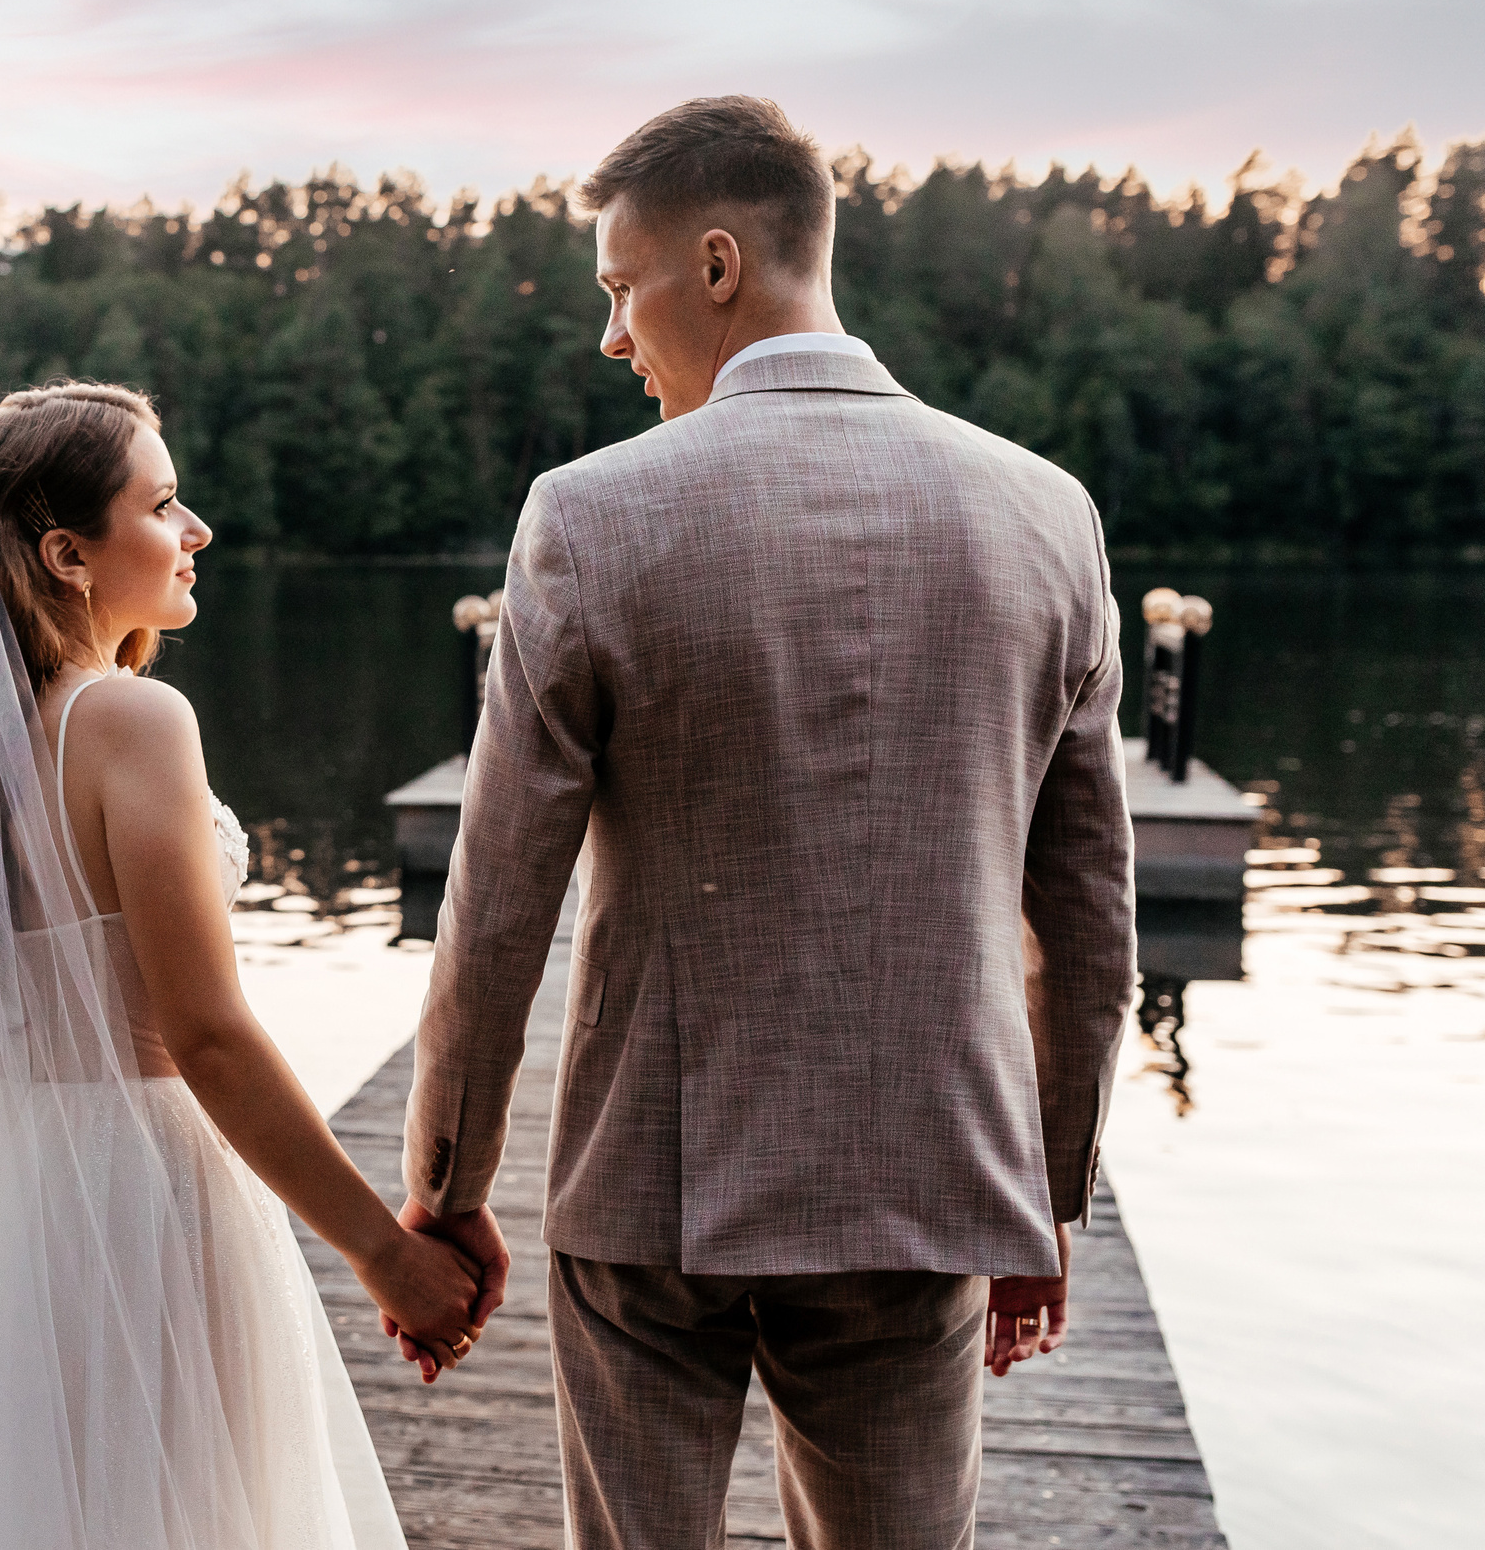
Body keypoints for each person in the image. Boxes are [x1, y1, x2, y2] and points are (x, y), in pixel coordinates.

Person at [391, 97, 1138, 1549]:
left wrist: (445, 1187)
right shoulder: (1048, 515)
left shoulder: (589, 517)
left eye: (622, 286)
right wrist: (1047, 1197)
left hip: (652, 1184)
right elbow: (1092, 916)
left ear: (718, 262)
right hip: (929, 1176)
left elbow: (493, 910)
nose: (613, 336)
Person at [0, 382, 483, 1550]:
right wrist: (384, 1252)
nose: (196, 530)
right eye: (162, 505)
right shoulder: (130, 720)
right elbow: (204, 1036)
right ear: (67, 553)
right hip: (138, 1187)